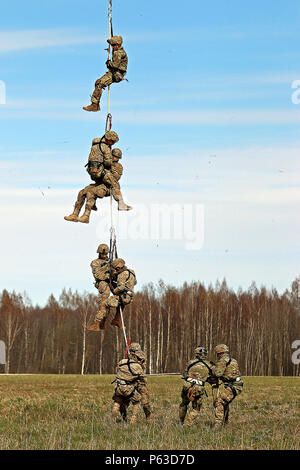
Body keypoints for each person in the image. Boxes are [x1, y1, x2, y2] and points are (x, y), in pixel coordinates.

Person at [83, 36, 128, 112]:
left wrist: (109, 63)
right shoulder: (117, 50)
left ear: (117, 45)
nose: (112, 47)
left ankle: (95, 105)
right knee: (98, 83)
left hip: (116, 74)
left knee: (99, 84)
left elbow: (115, 65)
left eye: (113, 45)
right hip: (114, 73)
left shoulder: (119, 53)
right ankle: (95, 104)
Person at [179, 346, 216, 427]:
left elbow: (185, 374)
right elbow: (213, 378)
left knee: (183, 404)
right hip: (198, 388)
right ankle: (187, 424)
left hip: (187, 385)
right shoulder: (210, 365)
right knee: (196, 408)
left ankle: (181, 422)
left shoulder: (190, 362)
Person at [211, 344, 243, 427]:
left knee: (219, 402)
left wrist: (212, 368)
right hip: (236, 385)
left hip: (233, 385)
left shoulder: (222, 361)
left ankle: (217, 425)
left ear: (219, 353)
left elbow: (218, 374)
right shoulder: (233, 360)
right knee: (225, 402)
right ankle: (225, 423)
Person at [111, 349, 146, 424]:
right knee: (137, 401)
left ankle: (112, 419)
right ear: (137, 358)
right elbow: (143, 380)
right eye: (140, 359)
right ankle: (133, 421)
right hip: (127, 388)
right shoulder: (137, 366)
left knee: (117, 403)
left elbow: (117, 370)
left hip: (118, 386)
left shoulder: (122, 361)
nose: (140, 361)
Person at [106, 258, 137, 329]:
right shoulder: (131, 271)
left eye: (116, 269)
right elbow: (135, 282)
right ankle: (117, 319)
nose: (116, 271)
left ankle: (101, 322)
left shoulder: (122, 275)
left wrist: (113, 289)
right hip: (129, 296)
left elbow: (121, 287)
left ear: (118, 268)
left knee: (105, 303)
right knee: (120, 306)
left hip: (123, 297)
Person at [87, 244, 111, 331]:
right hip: (103, 284)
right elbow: (98, 275)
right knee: (103, 303)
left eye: (106, 254)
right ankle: (98, 322)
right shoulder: (95, 263)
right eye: (103, 254)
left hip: (112, 283)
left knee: (110, 303)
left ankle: (103, 321)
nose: (105, 255)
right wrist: (108, 273)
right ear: (99, 253)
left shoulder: (110, 261)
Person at [128, 343, 151, 423]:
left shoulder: (141, 356)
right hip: (130, 382)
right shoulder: (129, 357)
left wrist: (133, 358)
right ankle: (127, 419)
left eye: (132, 351)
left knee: (145, 402)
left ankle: (148, 418)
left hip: (140, 382)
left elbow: (141, 362)